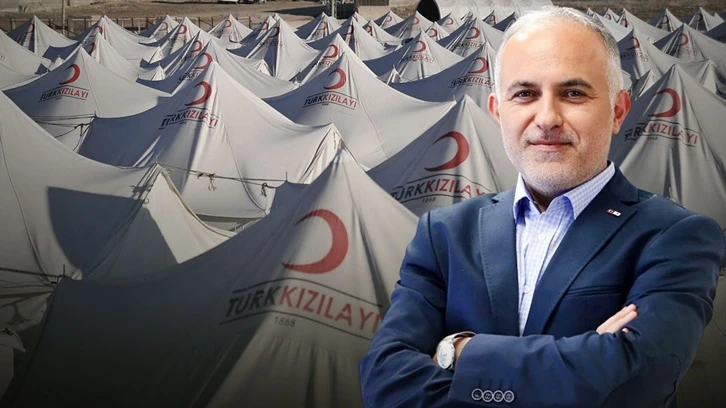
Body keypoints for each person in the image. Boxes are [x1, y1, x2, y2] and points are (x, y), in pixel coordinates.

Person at [359, 6, 724, 407]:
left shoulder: (675, 236)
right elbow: (385, 379)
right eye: (525, 94)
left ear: (617, 111)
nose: (547, 118)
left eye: (573, 93)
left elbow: (640, 379)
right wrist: (587, 362)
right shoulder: (443, 233)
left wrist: (458, 350)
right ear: (498, 111)